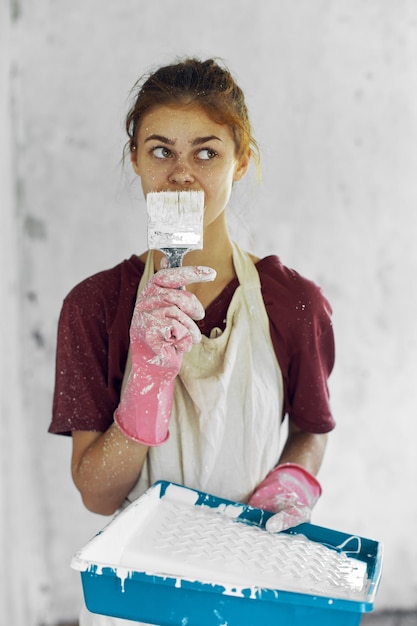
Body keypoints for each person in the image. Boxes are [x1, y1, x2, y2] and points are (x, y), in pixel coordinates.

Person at [49, 57, 335, 625]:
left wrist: (291, 483)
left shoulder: (295, 302)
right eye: (161, 151)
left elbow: (309, 430)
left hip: (249, 576)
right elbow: (98, 496)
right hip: (136, 592)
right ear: (135, 159)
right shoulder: (95, 306)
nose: (182, 175)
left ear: (241, 159)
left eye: (207, 152)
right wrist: (146, 385)